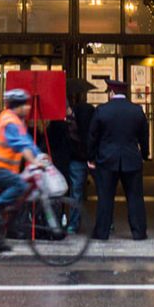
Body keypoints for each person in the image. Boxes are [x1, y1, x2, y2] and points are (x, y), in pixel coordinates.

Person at [0, 88, 48, 251]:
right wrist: (35, 161)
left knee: (6, 206)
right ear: (18, 106)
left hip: (0, 168)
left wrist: (39, 155)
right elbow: (20, 144)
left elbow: (27, 141)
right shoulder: (10, 121)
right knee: (20, 186)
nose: (28, 107)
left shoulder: (15, 120)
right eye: (25, 104)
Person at [87, 78, 149, 241]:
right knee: (135, 197)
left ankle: (102, 232)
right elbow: (144, 136)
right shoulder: (137, 110)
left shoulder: (102, 110)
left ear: (111, 92)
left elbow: (93, 136)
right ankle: (139, 232)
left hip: (107, 159)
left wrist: (91, 157)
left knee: (105, 197)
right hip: (131, 158)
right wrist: (145, 154)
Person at [65, 87, 95, 232]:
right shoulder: (89, 110)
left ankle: (73, 224)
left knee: (76, 192)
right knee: (103, 191)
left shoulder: (79, 115)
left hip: (79, 157)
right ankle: (107, 223)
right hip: (91, 156)